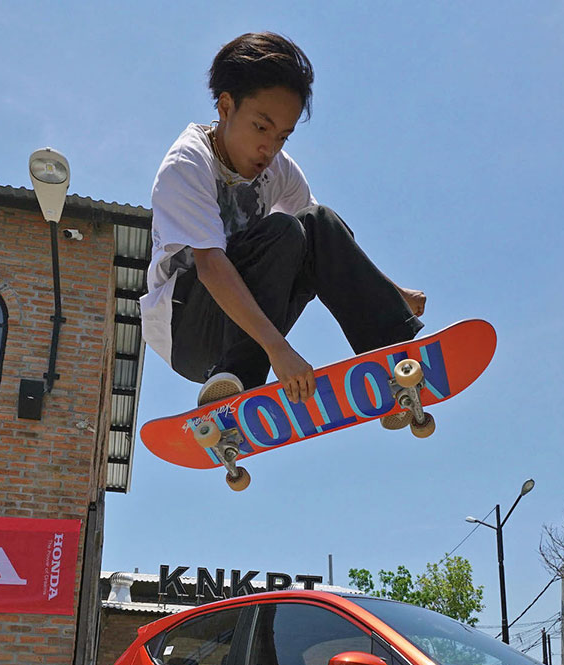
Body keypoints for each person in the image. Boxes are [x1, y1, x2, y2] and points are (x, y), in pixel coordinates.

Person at [140, 31, 428, 423]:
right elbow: (210, 267)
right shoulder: (187, 164)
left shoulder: (280, 171)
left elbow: (328, 244)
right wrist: (278, 350)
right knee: (284, 230)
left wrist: (390, 293)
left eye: (282, 136)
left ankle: (394, 354)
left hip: (246, 321)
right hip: (189, 331)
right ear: (226, 107)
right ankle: (235, 378)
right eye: (261, 128)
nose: (269, 148)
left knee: (316, 221)